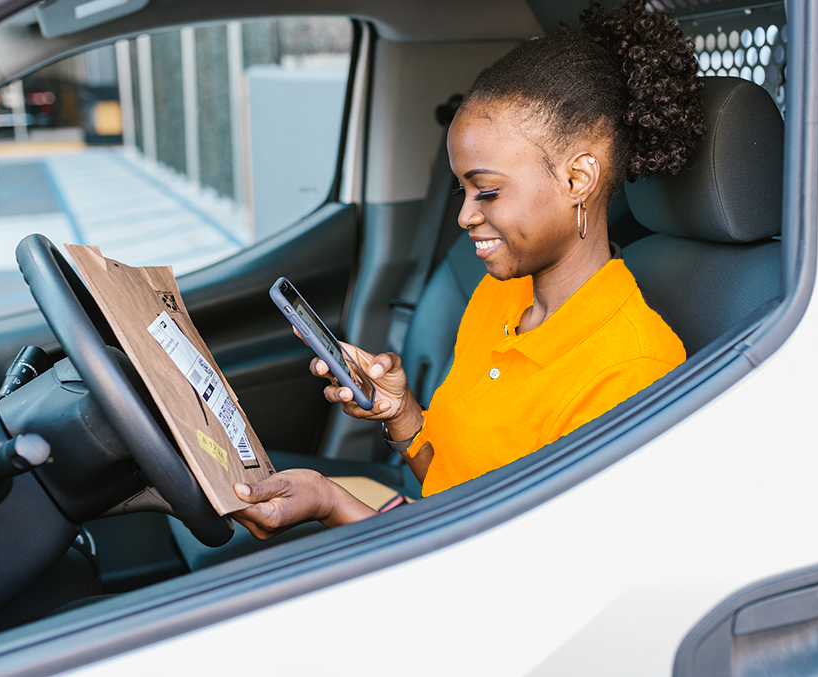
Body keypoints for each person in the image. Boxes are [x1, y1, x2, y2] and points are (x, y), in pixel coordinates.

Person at [229, 0, 705, 540]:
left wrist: (333, 503)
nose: (464, 215)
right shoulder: (501, 297)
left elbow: (510, 576)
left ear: (578, 179)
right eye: (463, 189)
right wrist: (402, 413)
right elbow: (456, 487)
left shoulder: (632, 372)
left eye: (489, 191)